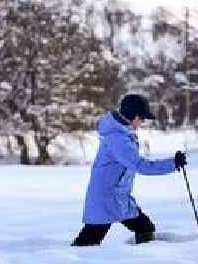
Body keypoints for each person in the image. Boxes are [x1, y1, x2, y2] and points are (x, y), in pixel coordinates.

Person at [72, 94, 187, 246]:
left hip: (119, 197)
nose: (143, 122)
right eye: (142, 118)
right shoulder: (117, 138)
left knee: (145, 227)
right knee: (87, 242)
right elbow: (139, 165)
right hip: (106, 198)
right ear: (134, 116)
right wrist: (172, 163)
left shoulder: (123, 133)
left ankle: (142, 260)